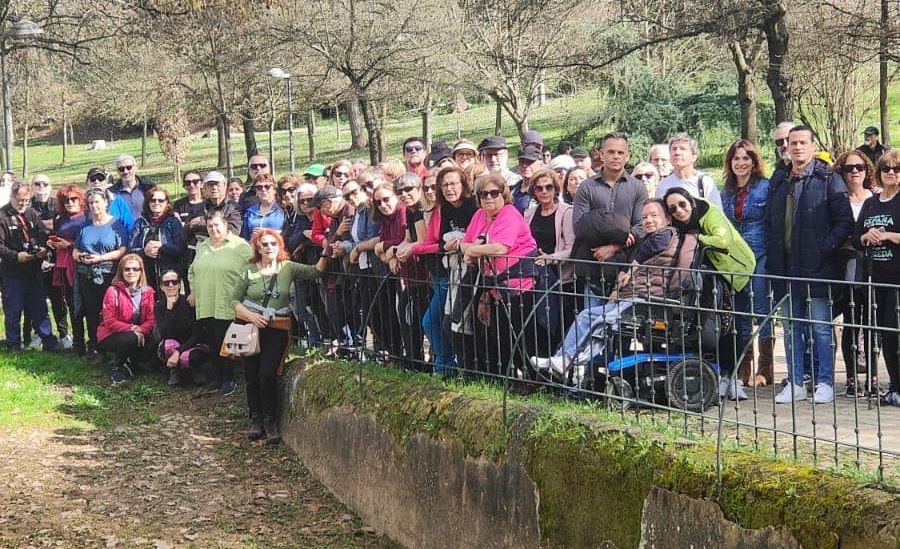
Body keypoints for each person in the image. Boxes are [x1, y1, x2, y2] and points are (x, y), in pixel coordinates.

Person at [530, 200, 697, 384]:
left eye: (654, 216)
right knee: (586, 315)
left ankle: (574, 363)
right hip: (633, 297)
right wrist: (619, 287)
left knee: (604, 322)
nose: (648, 220)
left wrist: (628, 272)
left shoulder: (665, 235)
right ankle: (562, 358)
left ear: (667, 219)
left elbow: (644, 255)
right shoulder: (648, 238)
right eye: (644, 217)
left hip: (647, 300)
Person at [766, 125, 853, 405]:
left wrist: (824, 248)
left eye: (803, 142)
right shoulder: (779, 180)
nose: (797, 147)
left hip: (818, 267)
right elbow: (770, 221)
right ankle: (796, 382)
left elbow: (844, 222)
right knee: (791, 327)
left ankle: (825, 381)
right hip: (786, 266)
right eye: (793, 143)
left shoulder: (829, 178)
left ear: (813, 146)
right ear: (786, 147)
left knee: (820, 327)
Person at [232, 229, 328, 444]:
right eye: (264, 244)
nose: (269, 248)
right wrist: (252, 317)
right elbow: (234, 301)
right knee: (251, 373)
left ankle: (270, 420)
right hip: (250, 327)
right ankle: (255, 419)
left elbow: (316, 272)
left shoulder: (288, 268)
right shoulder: (248, 270)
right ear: (257, 247)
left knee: (267, 373)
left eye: (273, 244)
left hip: (277, 328)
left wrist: (327, 249)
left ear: (280, 246)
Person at [663, 188, 757, 399]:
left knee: (737, 326)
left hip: (737, 272)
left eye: (682, 204)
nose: (679, 210)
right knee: (716, 327)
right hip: (713, 276)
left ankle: (734, 378)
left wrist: (698, 238)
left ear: (690, 201)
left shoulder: (709, 212)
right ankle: (721, 376)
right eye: (672, 208)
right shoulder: (681, 225)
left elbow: (722, 240)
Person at [460, 173, 546, 376]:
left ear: (503, 194)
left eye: (494, 193)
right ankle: (505, 378)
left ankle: (535, 380)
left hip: (520, 285)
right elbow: (465, 242)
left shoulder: (510, 213)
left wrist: (473, 250)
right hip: (495, 285)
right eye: (483, 194)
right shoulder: (479, 215)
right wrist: (472, 248)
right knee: (497, 335)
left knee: (522, 335)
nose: (488, 197)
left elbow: (500, 248)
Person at [410, 165, 480, 375]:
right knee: (440, 321)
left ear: (463, 184)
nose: (449, 189)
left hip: (472, 269)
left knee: (452, 321)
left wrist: (458, 244)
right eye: (445, 185)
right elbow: (441, 239)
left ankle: (458, 368)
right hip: (451, 268)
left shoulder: (473, 205)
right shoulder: (446, 208)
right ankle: (449, 365)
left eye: (453, 184)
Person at [720, 140, 774, 388]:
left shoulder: (765, 187)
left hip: (761, 254)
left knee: (762, 310)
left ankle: (766, 368)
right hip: (736, 260)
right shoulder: (726, 192)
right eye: (736, 158)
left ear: (754, 162)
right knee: (740, 313)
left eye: (745, 158)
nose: (740, 163)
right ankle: (744, 366)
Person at [571, 132, 647, 307]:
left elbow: (641, 226)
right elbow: (580, 227)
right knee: (592, 326)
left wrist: (614, 246)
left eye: (620, 153)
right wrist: (621, 230)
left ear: (627, 156)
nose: (616, 156)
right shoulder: (587, 187)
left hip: (625, 271)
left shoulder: (637, 188)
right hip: (593, 269)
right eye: (611, 151)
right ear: (601, 154)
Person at [188, 211, 253, 396]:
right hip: (207, 302)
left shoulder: (240, 246)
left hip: (229, 302)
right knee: (212, 341)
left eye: (217, 225)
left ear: (225, 225)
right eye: (210, 226)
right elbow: (192, 271)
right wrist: (193, 290)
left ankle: (228, 378)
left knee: (228, 341)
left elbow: (252, 271)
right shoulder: (202, 246)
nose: (214, 229)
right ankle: (216, 377)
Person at [856, 150, 900, 405]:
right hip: (875, 277)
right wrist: (867, 236)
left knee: (896, 334)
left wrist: (889, 236)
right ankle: (894, 385)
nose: (891, 173)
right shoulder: (870, 203)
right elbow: (855, 238)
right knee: (884, 334)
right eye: (886, 169)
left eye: (896, 168)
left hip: (897, 278)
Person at [834, 150, 877, 396]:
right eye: (848, 168)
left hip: (874, 266)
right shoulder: (837, 199)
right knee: (851, 321)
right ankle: (851, 378)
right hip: (847, 264)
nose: (854, 172)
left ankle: (872, 377)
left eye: (859, 167)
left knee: (872, 323)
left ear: (867, 170)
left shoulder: (876, 197)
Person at [0, 181, 58, 352]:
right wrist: (17, 256)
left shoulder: (31, 213)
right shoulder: (2, 216)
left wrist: (43, 247)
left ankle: (49, 341)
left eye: (27, 200)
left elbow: (42, 233)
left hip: (33, 271)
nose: (24, 204)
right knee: (13, 310)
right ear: (12, 197)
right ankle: (14, 344)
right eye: (20, 200)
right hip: (13, 272)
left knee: (40, 308)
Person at [74, 188, 129, 359]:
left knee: (110, 311)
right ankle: (96, 346)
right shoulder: (85, 226)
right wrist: (80, 256)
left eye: (97, 202)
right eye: (90, 203)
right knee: (91, 311)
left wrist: (100, 258)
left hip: (108, 274)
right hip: (86, 275)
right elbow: (75, 250)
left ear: (106, 203)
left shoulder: (116, 224)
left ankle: (113, 347)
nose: (94, 206)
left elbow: (122, 250)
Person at [524, 169, 575, 344]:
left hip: (559, 275)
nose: (544, 192)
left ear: (555, 189)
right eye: (539, 188)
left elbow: (572, 249)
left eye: (549, 187)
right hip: (533, 274)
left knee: (557, 325)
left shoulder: (566, 212)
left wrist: (551, 257)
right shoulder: (529, 213)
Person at [97, 254, 155, 385]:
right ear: (121, 271)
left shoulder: (148, 291)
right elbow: (109, 320)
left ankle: (133, 363)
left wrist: (141, 330)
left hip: (139, 333)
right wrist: (132, 329)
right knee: (130, 338)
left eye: (135, 269)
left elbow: (152, 319)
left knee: (156, 338)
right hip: (111, 334)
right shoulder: (112, 291)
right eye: (127, 269)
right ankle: (117, 367)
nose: (131, 272)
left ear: (141, 272)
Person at [27, 174, 70, 349]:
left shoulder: (58, 205)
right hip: (34, 260)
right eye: (37, 183)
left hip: (57, 260)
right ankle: (39, 333)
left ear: (50, 186)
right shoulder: (26, 204)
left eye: (45, 183)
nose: (41, 187)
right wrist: (49, 225)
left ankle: (64, 333)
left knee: (59, 300)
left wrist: (38, 224)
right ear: (32, 186)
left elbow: (64, 226)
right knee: (36, 300)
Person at [49, 185, 88, 355]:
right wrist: (53, 243)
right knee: (72, 305)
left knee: (89, 305)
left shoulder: (87, 217)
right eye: (66, 200)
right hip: (64, 265)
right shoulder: (60, 218)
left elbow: (87, 241)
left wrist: (70, 245)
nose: (70, 203)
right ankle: (78, 345)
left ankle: (96, 344)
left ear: (80, 200)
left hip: (83, 265)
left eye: (73, 199)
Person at [155, 269, 207, 387]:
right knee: (167, 345)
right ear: (162, 286)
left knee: (187, 356)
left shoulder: (189, 303)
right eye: (166, 283)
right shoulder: (159, 306)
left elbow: (197, 335)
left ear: (179, 285)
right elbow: (163, 333)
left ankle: (195, 370)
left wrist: (179, 352)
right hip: (173, 345)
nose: (171, 285)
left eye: (174, 282)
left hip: (193, 344)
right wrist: (169, 309)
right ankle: (175, 371)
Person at [129, 186, 184, 291]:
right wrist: (144, 251)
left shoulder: (173, 222)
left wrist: (162, 246)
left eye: (161, 200)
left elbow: (180, 249)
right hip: (145, 273)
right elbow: (131, 249)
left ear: (167, 203)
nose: (156, 203)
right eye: (153, 200)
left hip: (169, 272)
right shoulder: (140, 223)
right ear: (148, 203)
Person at [655, 133, 722, 208]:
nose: (677, 152)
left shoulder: (704, 182)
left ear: (693, 157)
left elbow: (717, 213)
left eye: (682, 149)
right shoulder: (663, 185)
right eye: (674, 149)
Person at [86, 166, 134, 233]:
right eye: (93, 179)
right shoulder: (82, 202)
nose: (96, 181)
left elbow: (130, 225)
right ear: (87, 183)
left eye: (100, 178)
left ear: (106, 182)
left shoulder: (117, 200)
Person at [241, 173, 285, 240]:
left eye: (267, 187)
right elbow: (245, 237)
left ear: (274, 190)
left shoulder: (283, 209)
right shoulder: (250, 212)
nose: (263, 190)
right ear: (256, 192)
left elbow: (289, 233)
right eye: (259, 187)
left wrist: (268, 232)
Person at [112, 154, 154, 220]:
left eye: (129, 167)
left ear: (136, 168)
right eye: (121, 169)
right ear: (117, 171)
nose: (125, 171)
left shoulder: (148, 187)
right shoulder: (112, 193)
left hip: (146, 229)